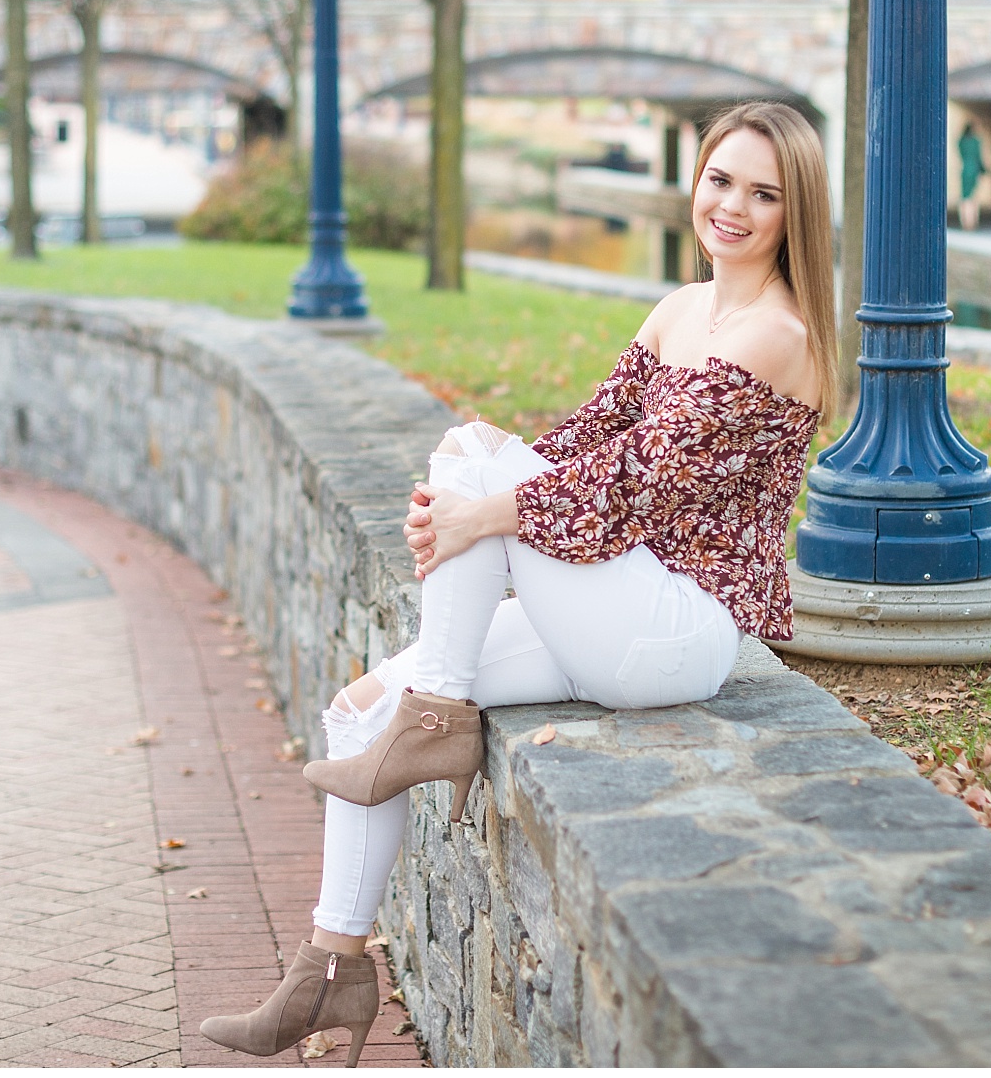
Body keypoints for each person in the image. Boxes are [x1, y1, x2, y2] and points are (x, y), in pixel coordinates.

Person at [198, 100, 837, 1066]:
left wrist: (474, 512)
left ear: (798, 214)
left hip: (676, 628)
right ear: (694, 179)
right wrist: (464, 506)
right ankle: (331, 972)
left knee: (475, 466)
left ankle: (438, 712)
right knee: (357, 707)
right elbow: (578, 444)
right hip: (609, 604)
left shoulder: (776, 334)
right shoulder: (681, 309)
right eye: (719, 180)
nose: (732, 208)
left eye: (763, 194)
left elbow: (629, 485)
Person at [957, 122, 986, 230]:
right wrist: (983, 170)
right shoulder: (976, 142)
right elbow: (979, 157)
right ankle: (973, 220)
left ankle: (965, 220)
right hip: (974, 170)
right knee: (973, 196)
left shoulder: (961, 141)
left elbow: (960, 153)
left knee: (964, 196)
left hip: (965, 170)